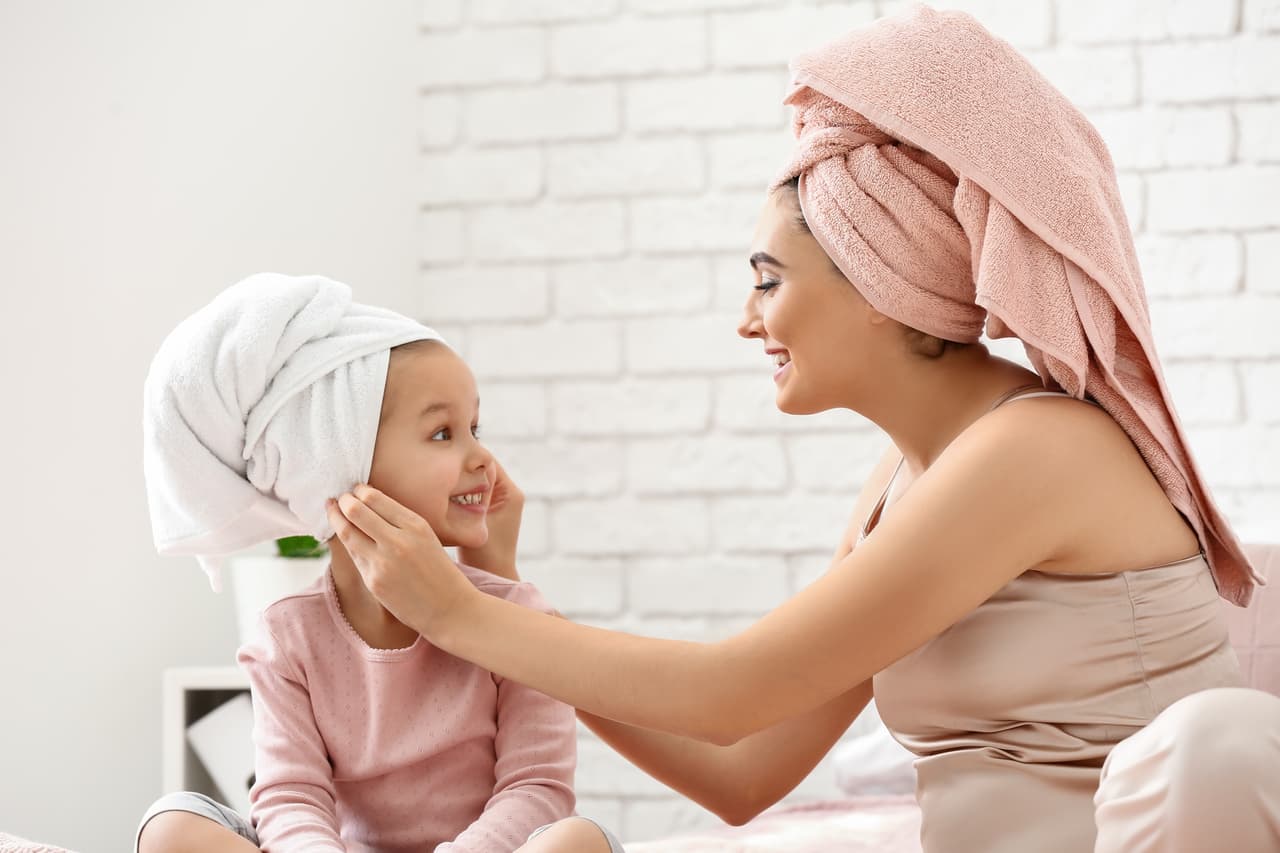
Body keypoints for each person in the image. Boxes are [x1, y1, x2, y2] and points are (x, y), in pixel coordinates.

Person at [325, 7, 1280, 853]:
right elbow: (742, 767)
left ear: (879, 283)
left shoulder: (1038, 449)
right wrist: (502, 599)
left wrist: (461, 612)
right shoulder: (901, 485)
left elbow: (732, 690)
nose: (748, 320)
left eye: (768, 280)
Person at [138, 274, 620, 852]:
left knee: (576, 841)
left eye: (474, 428)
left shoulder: (519, 620)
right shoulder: (288, 636)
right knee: (172, 825)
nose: (481, 456)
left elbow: (536, 788)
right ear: (340, 469)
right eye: (444, 433)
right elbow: (291, 798)